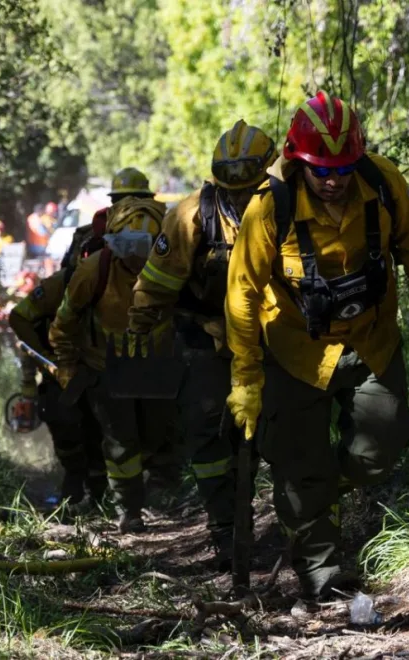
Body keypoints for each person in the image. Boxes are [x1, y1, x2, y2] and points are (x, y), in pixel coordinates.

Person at [224, 92, 409, 600]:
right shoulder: (269, 208)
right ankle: (322, 574)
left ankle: (318, 489)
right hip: (295, 353)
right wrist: (245, 377)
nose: (334, 180)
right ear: (297, 159)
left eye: (344, 168)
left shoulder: (383, 182)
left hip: (372, 341)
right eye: (320, 170)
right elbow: (240, 294)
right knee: (297, 462)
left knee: (383, 446)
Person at [129, 120, 275, 568]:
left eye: (248, 189)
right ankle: (225, 530)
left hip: (273, 338)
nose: (238, 199)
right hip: (207, 340)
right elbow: (156, 279)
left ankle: (290, 527)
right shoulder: (191, 215)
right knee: (210, 438)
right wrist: (141, 319)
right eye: (231, 191)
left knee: (280, 433)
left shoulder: (285, 207)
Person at [49, 167, 179, 533]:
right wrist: (67, 366)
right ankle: (129, 511)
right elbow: (64, 320)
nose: (138, 258)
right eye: (130, 248)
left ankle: (160, 498)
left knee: (156, 435)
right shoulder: (94, 268)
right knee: (121, 441)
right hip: (106, 365)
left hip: (156, 362)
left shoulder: (173, 262)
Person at [8, 230, 107, 506]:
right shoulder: (59, 284)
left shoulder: (122, 278)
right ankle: (76, 484)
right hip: (63, 374)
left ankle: (105, 493)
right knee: (64, 422)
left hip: (106, 371)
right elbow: (21, 319)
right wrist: (46, 358)